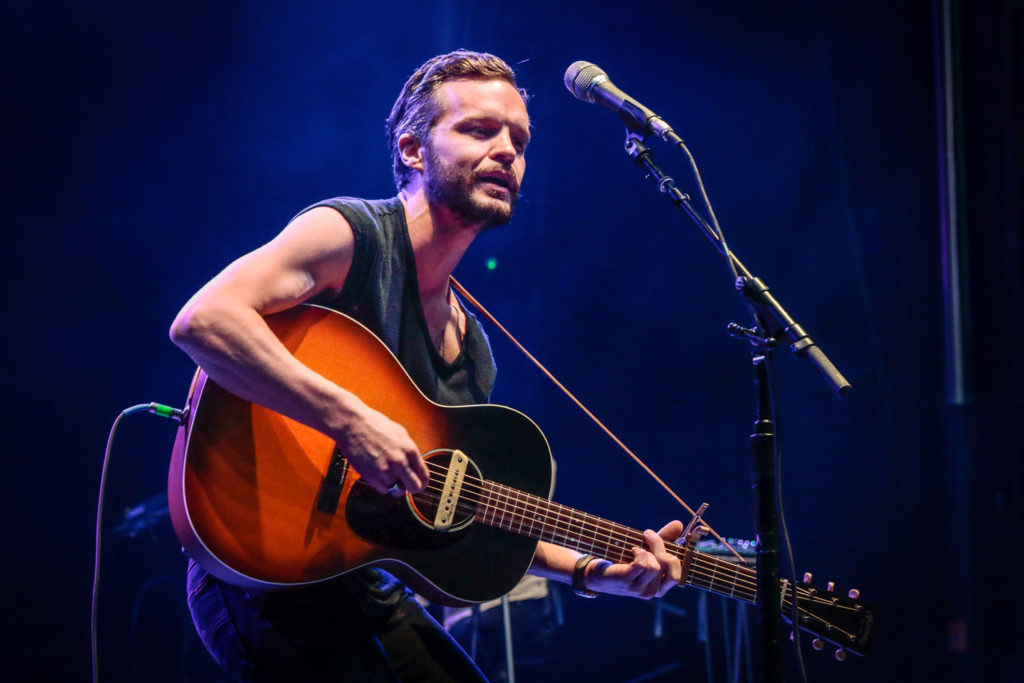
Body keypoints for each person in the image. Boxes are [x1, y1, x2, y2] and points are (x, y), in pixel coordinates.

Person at [170, 49, 685, 682]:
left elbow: (459, 515)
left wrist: (595, 572)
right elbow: (205, 320)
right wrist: (349, 420)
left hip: (364, 586)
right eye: (479, 129)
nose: (507, 152)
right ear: (414, 151)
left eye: (519, 140)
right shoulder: (350, 236)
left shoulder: (471, 352)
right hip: (260, 570)